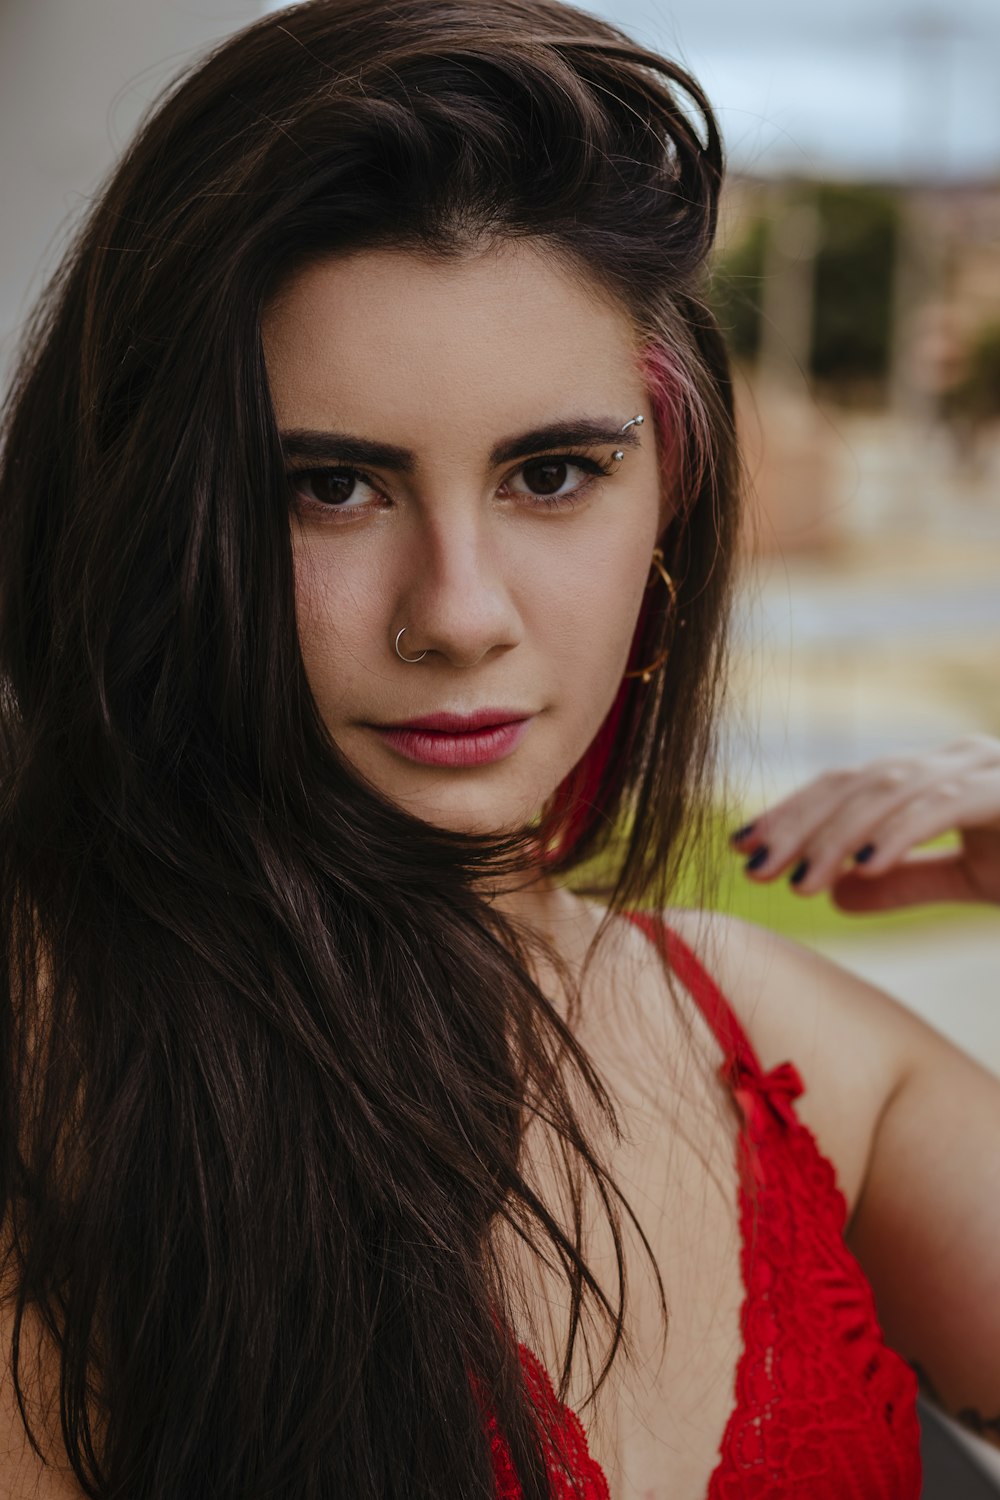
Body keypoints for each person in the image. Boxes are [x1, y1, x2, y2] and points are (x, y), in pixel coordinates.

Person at [0, 0, 997, 1495]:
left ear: (671, 491)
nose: (458, 617)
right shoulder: (60, 1066)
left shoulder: (761, 1032)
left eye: (551, 472)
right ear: (166, 519)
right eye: (330, 487)